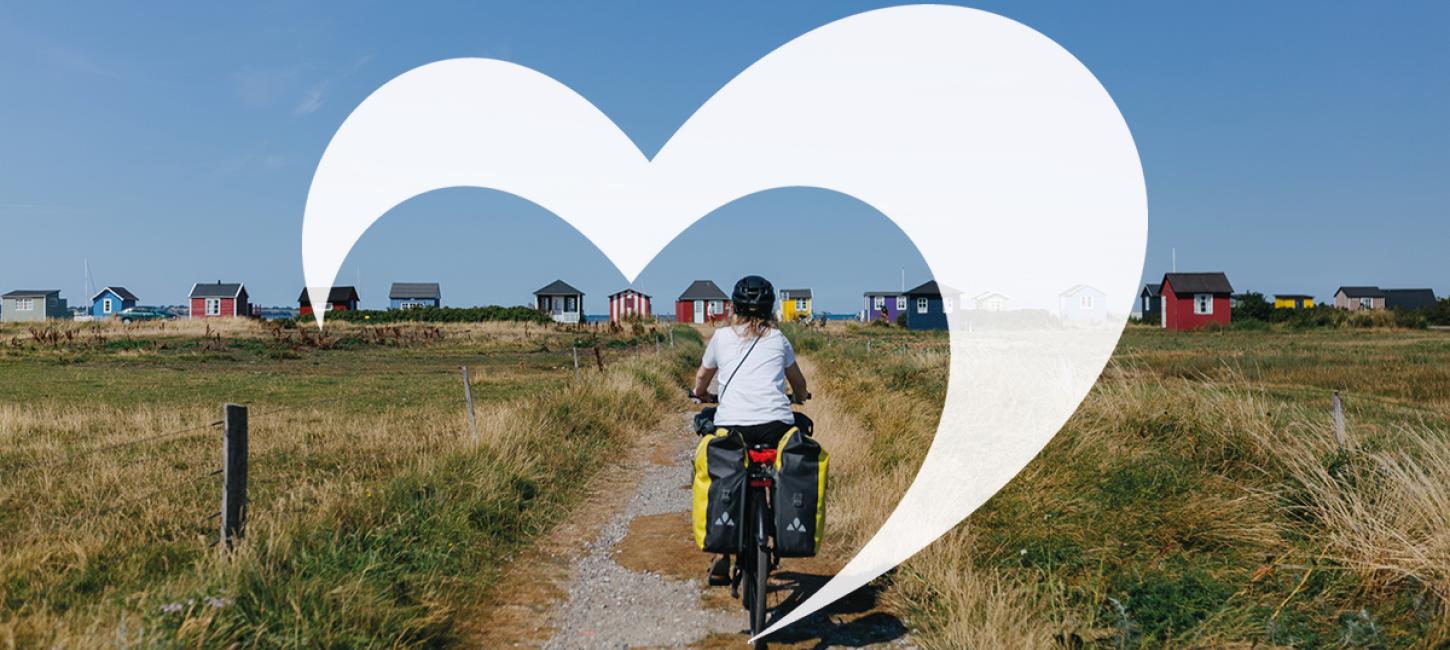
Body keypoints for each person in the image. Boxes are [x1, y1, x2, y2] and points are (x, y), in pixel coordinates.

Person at [691, 275, 808, 585]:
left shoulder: (721, 337)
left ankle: (721, 552)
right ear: (769, 308)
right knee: (778, 470)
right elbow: (798, 383)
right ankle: (779, 522)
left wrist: (700, 394)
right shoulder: (778, 339)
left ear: (734, 307)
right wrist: (799, 398)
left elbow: (703, 378)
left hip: (733, 426)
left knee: (723, 471)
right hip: (775, 426)